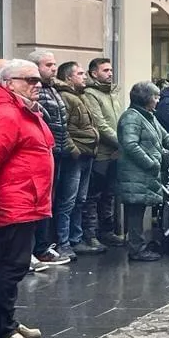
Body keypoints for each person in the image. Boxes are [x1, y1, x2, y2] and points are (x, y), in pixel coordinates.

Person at [0, 60, 54, 338]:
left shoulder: (21, 110)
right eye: (30, 80)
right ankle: (0, 331)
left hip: (27, 198)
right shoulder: (6, 113)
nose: (37, 85)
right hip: (16, 199)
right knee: (10, 265)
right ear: (9, 83)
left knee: (14, 264)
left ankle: (7, 321)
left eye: (38, 80)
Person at [115, 81, 169, 263]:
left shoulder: (149, 117)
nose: (158, 100)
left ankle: (138, 246)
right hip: (135, 173)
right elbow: (130, 145)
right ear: (145, 98)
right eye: (155, 97)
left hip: (143, 173)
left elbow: (166, 138)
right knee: (135, 212)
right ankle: (136, 250)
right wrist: (151, 163)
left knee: (138, 210)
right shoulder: (132, 117)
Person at [27, 51, 72, 269]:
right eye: (48, 65)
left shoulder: (53, 89)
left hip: (57, 151)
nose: (54, 68)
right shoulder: (37, 92)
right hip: (45, 152)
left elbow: (61, 122)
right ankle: (38, 248)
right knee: (40, 203)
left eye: (54, 64)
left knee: (50, 202)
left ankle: (43, 246)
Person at [52, 61, 102, 257]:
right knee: (68, 200)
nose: (84, 77)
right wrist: (74, 150)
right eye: (80, 74)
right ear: (68, 78)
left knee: (80, 200)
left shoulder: (80, 96)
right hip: (76, 156)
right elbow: (63, 128)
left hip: (87, 153)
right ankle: (64, 242)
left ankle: (76, 239)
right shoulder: (66, 97)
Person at [83, 57, 124, 247]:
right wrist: (121, 143)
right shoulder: (91, 94)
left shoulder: (112, 93)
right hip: (100, 152)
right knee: (94, 195)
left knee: (109, 193)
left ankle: (107, 231)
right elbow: (100, 124)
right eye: (105, 70)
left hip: (115, 152)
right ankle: (91, 233)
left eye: (111, 70)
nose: (110, 73)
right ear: (94, 73)